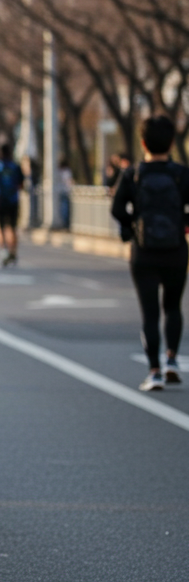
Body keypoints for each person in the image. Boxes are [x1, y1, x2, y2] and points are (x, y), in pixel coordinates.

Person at [111, 115, 189, 392]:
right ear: (171, 142)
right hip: (176, 250)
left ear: (142, 142)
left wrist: (133, 227)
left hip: (143, 253)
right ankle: (171, 361)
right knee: (173, 307)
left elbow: (117, 210)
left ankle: (154, 371)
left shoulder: (133, 175)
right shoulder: (181, 174)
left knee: (150, 313)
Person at [0, 144, 25, 267]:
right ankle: (13, 252)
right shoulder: (15, 167)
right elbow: (22, 184)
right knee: (13, 228)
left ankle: (4, 251)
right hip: (14, 201)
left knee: (0, 227)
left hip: (0, 202)